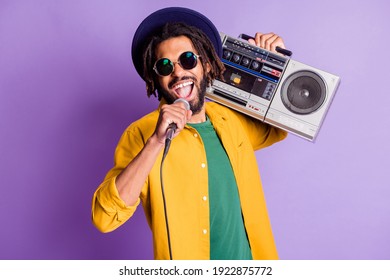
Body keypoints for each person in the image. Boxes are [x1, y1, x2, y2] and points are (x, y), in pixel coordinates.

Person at [91, 7, 287, 260]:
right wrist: (156, 142)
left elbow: (278, 126)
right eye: (164, 66)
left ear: (205, 64)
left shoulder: (231, 122)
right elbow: (104, 218)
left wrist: (275, 64)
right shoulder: (141, 134)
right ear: (156, 78)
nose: (178, 73)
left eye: (187, 60)